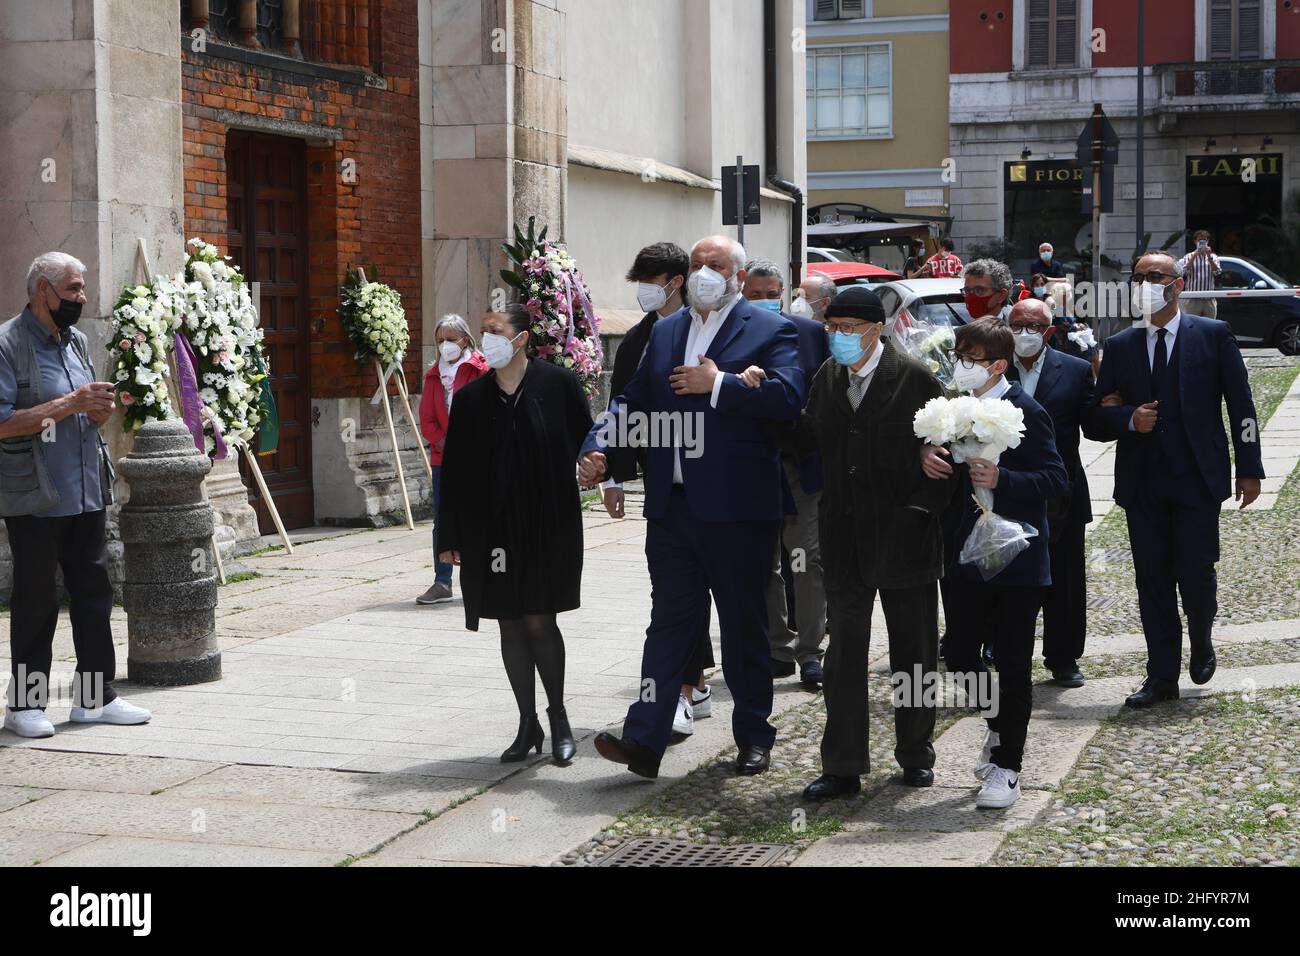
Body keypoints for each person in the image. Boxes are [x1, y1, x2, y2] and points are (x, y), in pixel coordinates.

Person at [578, 235, 805, 779]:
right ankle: (645, 739)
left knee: (742, 625)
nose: (705, 272)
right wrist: (599, 446)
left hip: (738, 510)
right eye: (698, 263)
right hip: (672, 509)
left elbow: (789, 399)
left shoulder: (773, 329)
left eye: (717, 265)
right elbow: (632, 400)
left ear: (737, 275)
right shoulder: (666, 331)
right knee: (669, 624)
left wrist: (721, 383)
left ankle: (753, 733)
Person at [797, 287, 956, 800]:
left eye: (848, 329)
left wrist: (922, 499)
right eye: (831, 328)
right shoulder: (827, 377)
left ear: (875, 330)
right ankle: (842, 764)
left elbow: (947, 452)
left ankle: (915, 752)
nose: (838, 338)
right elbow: (807, 437)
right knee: (843, 654)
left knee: (914, 652)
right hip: (843, 539)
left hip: (903, 537)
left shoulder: (913, 377)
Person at [1091, 251, 1263, 708]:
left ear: (1178, 284)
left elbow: (1241, 405)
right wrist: (1128, 418)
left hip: (1197, 478)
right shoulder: (1122, 344)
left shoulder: (1212, 335)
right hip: (1143, 483)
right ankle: (1160, 674)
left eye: (1155, 276)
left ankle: (1202, 638)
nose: (1146, 283)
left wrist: (1249, 467)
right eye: (1139, 276)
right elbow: (1096, 417)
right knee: (1152, 581)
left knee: (1196, 572)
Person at [0, 252, 151, 737]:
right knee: (36, 600)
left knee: (94, 595)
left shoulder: (78, 341)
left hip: (86, 489)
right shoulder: (8, 343)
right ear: (43, 290)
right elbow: (3, 422)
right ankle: (24, 705)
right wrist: (71, 403)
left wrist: (97, 411)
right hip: (36, 496)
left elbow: (84, 412)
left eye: (82, 289)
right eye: (73, 290)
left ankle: (93, 699)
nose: (81, 298)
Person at [436, 304, 594, 765]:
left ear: (521, 338)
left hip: (548, 524)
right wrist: (450, 535)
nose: (487, 339)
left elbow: (590, 440)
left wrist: (600, 470)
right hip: (492, 530)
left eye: (495, 331)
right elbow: (456, 473)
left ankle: (559, 716)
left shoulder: (558, 384)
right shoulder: (470, 398)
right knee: (508, 620)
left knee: (541, 619)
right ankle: (527, 722)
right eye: (484, 332)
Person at [928, 318, 1067, 809]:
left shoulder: (1026, 410)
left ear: (998, 365)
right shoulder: (951, 412)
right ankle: (997, 723)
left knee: (1012, 661)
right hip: (964, 555)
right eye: (959, 357)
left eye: (972, 359)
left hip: (1018, 559)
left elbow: (1055, 480)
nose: (962, 367)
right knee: (962, 654)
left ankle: (1008, 764)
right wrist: (929, 461)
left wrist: (1002, 477)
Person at [604, 242, 714, 738]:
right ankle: (682, 692)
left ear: (676, 280)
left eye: (652, 281)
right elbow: (621, 405)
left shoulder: (708, 330)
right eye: (640, 282)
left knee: (713, 592)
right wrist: (612, 474)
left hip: (718, 480)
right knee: (673, 594)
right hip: (665, 481)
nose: (646, 292)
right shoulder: (639, 340)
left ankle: (698, 686)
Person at [743, 259, 828, 686]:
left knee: (805, 560)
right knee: (763, 561)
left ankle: (811, 651)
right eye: (754, 294)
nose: (763, 302)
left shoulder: (810, 333)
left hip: (801, 464)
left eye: (770, 293)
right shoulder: (731, 335)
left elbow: (828, 392)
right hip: (752, 465)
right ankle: (777, 646)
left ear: (784, 294)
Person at [1005, 299, 1096, 685]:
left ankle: (1063, 656)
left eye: (1033, 326)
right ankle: (1004, 650)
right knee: (1005, 573)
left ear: (1049, 331)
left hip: (1060, 490)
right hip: (1004, 486)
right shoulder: (992, 367)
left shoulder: (1075, 370)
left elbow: (1093, 423)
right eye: (1017, 325)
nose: (1024, 333)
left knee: (1065, 578)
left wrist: (1125, 415)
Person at [416, 314, 487, 605]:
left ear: (466, 340)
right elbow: (427, 418)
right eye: (441, 340)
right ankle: (442, 581)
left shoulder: (480, 370)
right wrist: (443, 441)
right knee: (442, 518)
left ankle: (481, 578)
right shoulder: (434, 374)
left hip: (476, 456)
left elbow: (487, 410)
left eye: (451, 339)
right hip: (444, 457)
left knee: (478, 515)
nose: (446, 345)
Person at [1176, 230, 1223, 319]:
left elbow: (1217, 272)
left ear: (1207, 242)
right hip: (1193, 298)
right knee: (1192, 324)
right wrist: (1194, 256)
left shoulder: (1213, 257)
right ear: (1195, 241)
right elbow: (1185, 272)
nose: (1202, 242)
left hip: (1208, 298)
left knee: (1210, 325)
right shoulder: (1188, 256)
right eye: (1199, 240)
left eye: (1204, 240)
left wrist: (1209, 257)